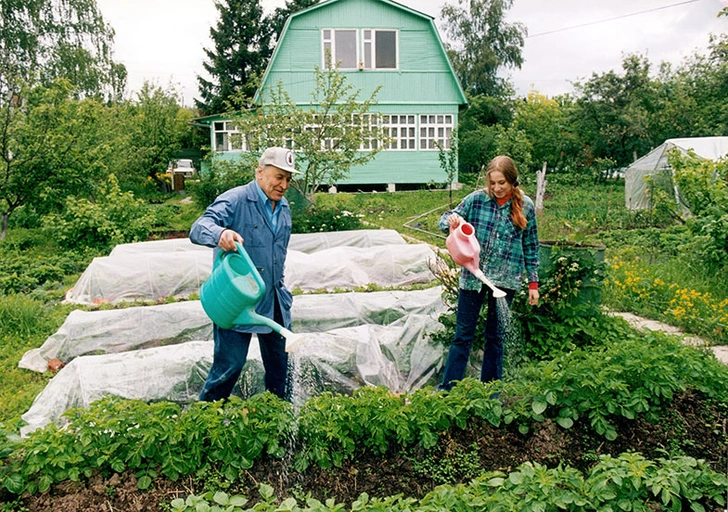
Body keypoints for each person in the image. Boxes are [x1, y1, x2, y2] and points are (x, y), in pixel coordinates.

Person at [190, 147, 301, 401]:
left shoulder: (283, 209)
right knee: (229, 367)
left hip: (274, 301)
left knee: (281, 371)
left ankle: (278, 427)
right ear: (260, 172)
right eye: (278, 177)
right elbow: (199, 227)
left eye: (288, 179)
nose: (284, 185)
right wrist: (220, 234)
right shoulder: (237, 199)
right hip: (237, 300)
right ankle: (207, 423)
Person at [438, 155, 540, 392]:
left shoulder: (526, 206)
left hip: (506, 279)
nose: (496, 188)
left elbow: (531, 246)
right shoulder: (476, 200)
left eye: (502, 183)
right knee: (463, 334)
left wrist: (533, 284)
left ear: (513, 181)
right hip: (473, 277)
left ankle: (490, 391)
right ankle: (448, 391)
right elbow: (444, 220)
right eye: (492, 182)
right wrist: (451, 220)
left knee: (495, 337)